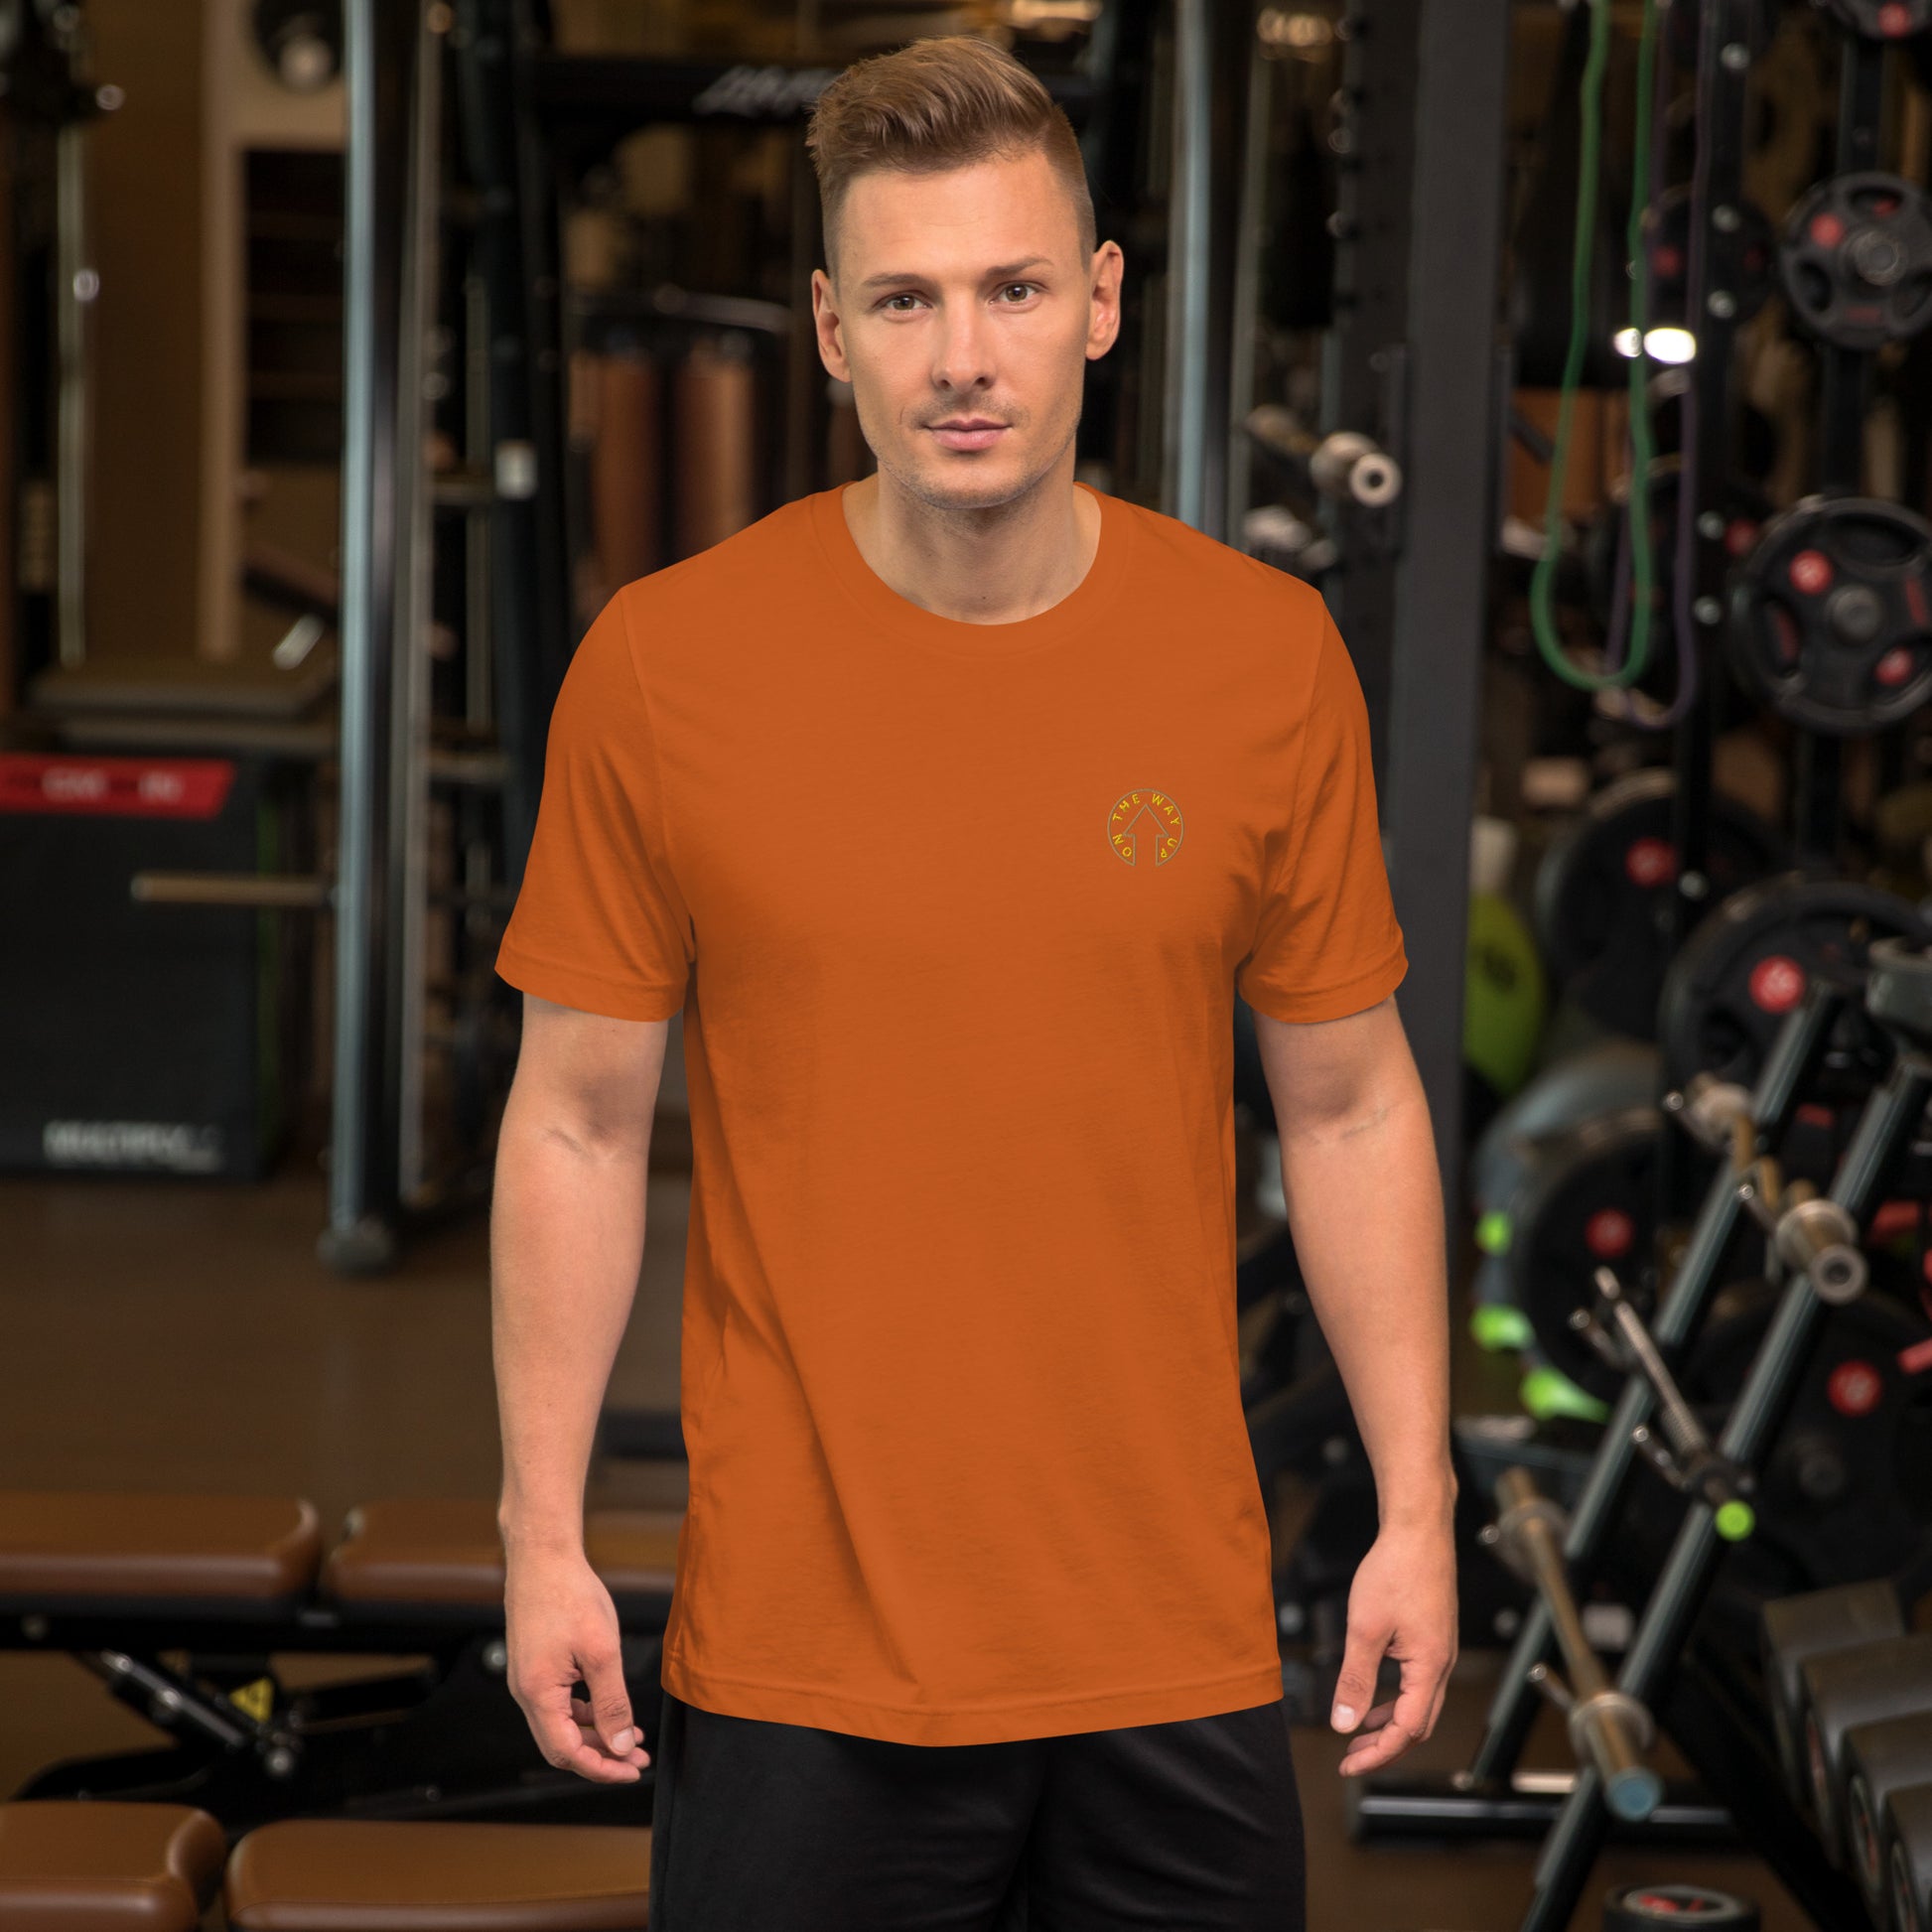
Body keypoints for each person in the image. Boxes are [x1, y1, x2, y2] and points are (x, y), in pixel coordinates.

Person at [489, 33, 1455, 1931]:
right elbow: (578, 1120)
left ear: (1097, 305)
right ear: (832, 330)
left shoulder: (1262, 659)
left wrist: (1413, 1510)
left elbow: (1348, 1101)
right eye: (909, 300)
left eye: (1013, 289)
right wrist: (541, 1534)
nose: (963, 358)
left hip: (1165, 1642)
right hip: (803, 1656)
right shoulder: (666, 667)